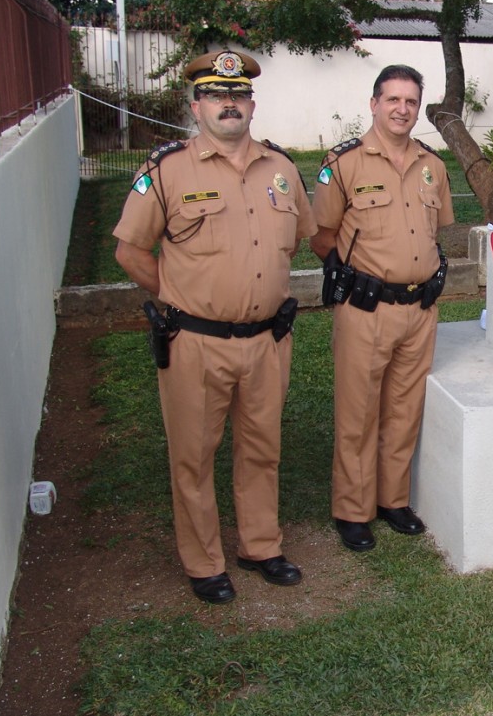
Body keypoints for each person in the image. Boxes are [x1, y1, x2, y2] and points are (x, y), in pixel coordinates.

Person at [112, 50, 316, 604]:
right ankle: (204, 562)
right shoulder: (166, 169)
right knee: (194, 454)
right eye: (217, 95)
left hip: (267, 341)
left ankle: (260, 545)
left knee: (262, 448)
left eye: (240, 94)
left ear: (252, 103)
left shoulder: (282, 169)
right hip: (196, 342)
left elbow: (296, 239)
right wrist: (178, 294)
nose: (230, 103)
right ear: (196, 104)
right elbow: (129, 250)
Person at [310, 65, 454, 553]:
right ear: (374, 103)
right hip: (366, 309)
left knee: (403, 409)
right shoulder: (344, 162)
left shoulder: (433, 165)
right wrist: (354, 278)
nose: (401, 109)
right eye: (392, 99)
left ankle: (392, 500)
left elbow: (439, 229)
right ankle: (352, 509)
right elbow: (321, 235)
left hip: (420, 309)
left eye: (410, 101)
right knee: (358, 411)